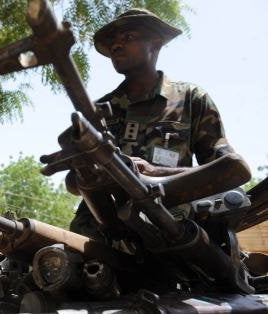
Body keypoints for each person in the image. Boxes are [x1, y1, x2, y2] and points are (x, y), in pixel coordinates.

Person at [69, 8, 239, 239]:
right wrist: (92, 174)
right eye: (112, 42)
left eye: (128, 37)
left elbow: (231, 171)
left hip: (168, 236)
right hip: (98, 240)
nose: (116, 46)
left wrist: (155, 173)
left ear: (156, 44)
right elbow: (72, 183)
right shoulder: (97, 111)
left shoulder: (190, 99)